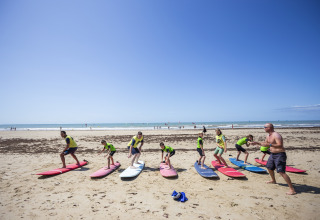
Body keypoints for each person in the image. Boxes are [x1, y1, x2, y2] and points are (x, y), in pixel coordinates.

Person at [255, 123, 296, 195]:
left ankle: (292, 189)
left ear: (269, 128)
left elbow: (280, 145)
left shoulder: (276, 135)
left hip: (279, 155)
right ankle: (273, 180)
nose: (264, 128)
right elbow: (265, 143)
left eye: (265, 127)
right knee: (269, 167)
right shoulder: (268, 135)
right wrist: (256, 143)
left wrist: (269, 145)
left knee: (281, 172)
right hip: (272, 154)